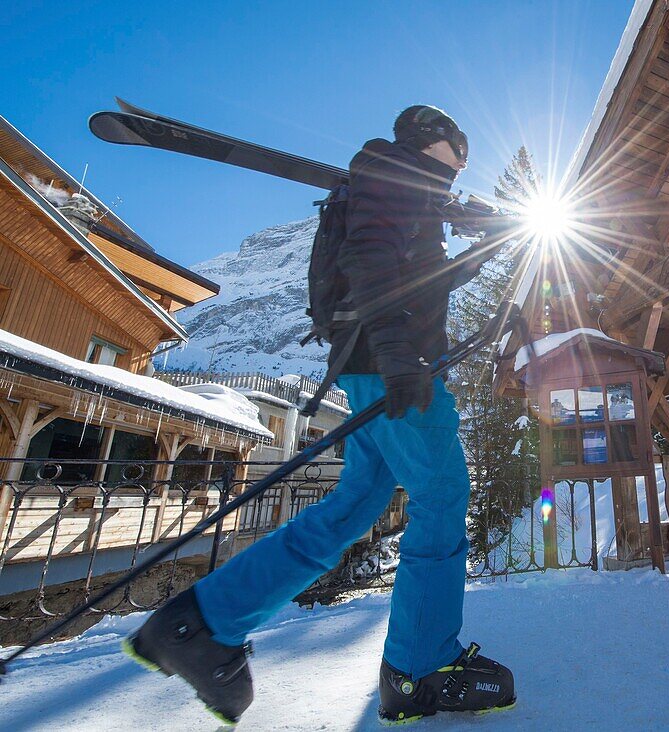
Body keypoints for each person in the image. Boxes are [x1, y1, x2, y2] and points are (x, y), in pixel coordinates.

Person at [122, 105, 516, 726]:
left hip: (372, 368)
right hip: (399, 368)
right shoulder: (395, 175)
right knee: (441, 498)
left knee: (353, 506)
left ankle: (201, 624)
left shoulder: (398, 188)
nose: (464, 161)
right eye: (460, 147)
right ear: (435, 142)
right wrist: (398, 356)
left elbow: (416, 277)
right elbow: (370, 261)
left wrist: (484, 243)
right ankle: (419, 669)